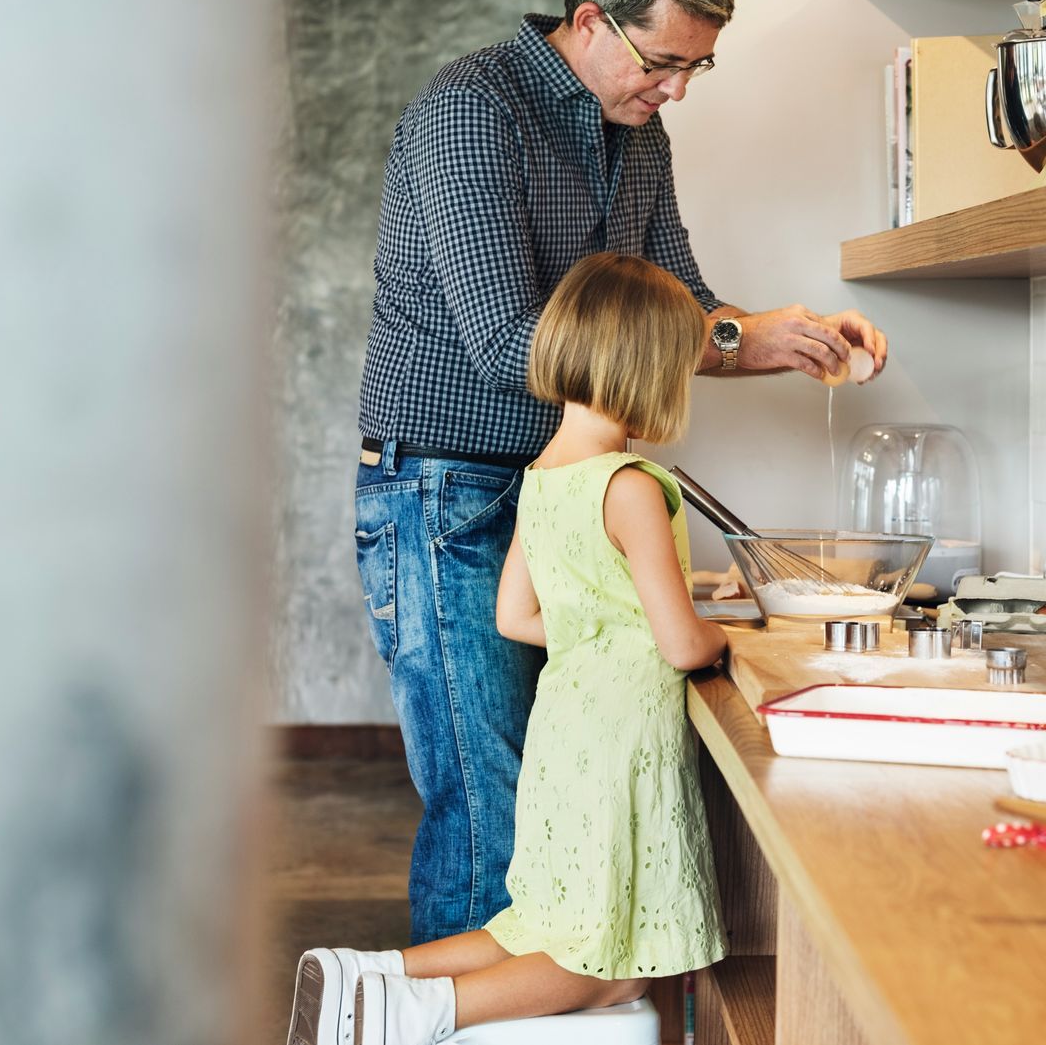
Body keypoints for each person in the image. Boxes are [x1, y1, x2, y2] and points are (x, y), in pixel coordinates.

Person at [353, 0, 887, 945]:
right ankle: (410, 1011)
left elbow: (682, 308)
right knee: (490, 811)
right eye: (664, 60)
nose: (678, 88)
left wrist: (781, 334)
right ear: (592, 21)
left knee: (554, 803)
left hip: (557, 492)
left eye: (699, 68)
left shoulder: (638, 135)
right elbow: (517, 348)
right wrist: (732, 338)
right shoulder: (475, 111)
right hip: (446, 492)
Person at [296, 254, 730, 1045]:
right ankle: (417, 1013)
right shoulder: (629, 484)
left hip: (564, 734)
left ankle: (371, 974)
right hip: (619, 742)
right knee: (610, 966)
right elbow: (679, 642)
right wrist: (721, 634)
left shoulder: (539, 477)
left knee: (538, 918)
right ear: (654, 370)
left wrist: (603, 626)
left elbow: (515, 615)